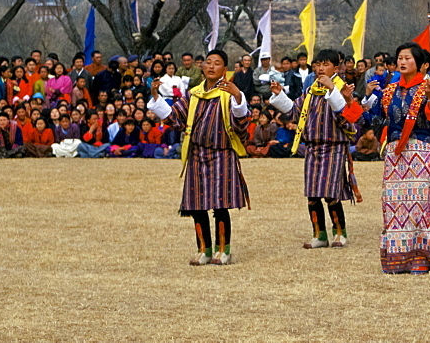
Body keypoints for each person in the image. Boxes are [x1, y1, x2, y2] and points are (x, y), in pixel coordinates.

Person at [148, 49, 251, 266]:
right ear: (203, 67)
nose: (212, 66)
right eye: (208, 62)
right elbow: (175, 118)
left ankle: (224, 251)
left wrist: (238, 97)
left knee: (220, 206)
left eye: (217, 63)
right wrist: (156, 98)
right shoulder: (193, 94)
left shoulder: (229, 93)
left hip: (222, 154)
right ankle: (204, 250)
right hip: (196, 154)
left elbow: (241, 126)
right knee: (197, 205)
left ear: (225, 69)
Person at [268, 48, 362, 250]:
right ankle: (319, 234)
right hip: (312, 147)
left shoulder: (343, 89)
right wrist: (280, 96)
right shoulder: (311, 90)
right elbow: (295, 111)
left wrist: (333, 93)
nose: (320, 68)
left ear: (335, 68)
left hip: (333, 146)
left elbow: (349, 121)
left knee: (330, 193)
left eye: (325, 64)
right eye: (317, 65)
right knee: (312, 195)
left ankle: (339, 232)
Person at [363, 42, 430, 274]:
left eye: (408, 58)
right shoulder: (389, 91)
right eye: (400, 57)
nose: (402, 61)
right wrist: (362, 100)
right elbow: (375, 120)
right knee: (393, 203)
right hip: (395, 152)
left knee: (419, 204)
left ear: (419, 63)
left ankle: (420, 258)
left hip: (419, 149)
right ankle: (395, 257)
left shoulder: (429, 88)